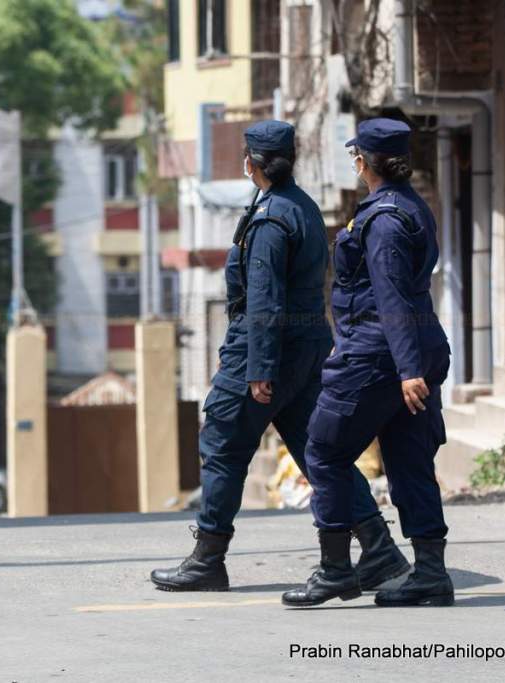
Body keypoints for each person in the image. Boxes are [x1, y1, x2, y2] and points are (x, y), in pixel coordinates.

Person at [151, 120, 408, 592]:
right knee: (320, 453)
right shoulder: (301, 207)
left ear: (251, 164)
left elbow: (265, 299)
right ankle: (379, 549)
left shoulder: (271, 219)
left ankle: (208, 559)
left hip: (269, 350)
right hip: (307, 352)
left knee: (223, 446)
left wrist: (259, 368)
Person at [282, 118, 453, 608]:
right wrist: (411, 366)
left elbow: (391, 297)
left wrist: (406, 371)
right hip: (411, 350)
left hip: (379, 357)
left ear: (362, 161)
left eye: (354, 156)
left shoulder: (383, 222)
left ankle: (336, 570)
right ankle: (430, 573)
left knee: (325, 451)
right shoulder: (412, 207)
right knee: (408, 460)